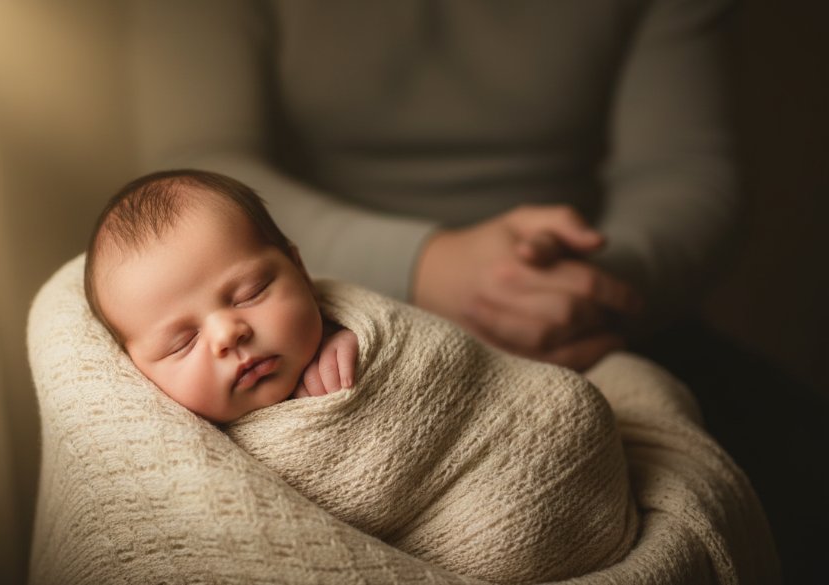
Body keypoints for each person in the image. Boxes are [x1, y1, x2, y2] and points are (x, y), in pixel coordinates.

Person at [128, 2, 827, 580]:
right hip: (350, 282)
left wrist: (577, 285)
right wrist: (426, 265)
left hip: (591, 301)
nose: (221, 334)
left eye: (244, 297)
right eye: (183, 337)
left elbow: (690, 175)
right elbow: (199, 161)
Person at [83, 169, 359, 423]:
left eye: (251, 293)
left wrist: (352, 340)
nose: (226, 334)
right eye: (183, 343)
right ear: (138, 371)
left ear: (299, 269)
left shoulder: (353, 340)